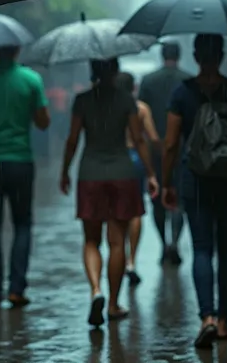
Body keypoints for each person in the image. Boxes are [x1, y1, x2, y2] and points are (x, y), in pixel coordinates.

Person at [162, 34, 227, 349]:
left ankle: (205, 317)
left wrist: (167, 182)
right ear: (221, 55)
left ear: (195, 56)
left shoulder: (183, 93)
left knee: (202, 248)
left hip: (196, 180)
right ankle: (222, 321)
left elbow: (170, 144)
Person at [60, 58, 159, 327]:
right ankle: (113, 304)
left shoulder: (82, 100)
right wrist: (150, 173)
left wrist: (64, 171)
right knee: (117, 242)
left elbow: (72, 140)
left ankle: (96, 291)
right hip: (122, 173)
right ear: (115, 71)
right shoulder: (127, 100)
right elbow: (138, 139)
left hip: (90, 174)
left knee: (91, 240)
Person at [0, 45, 49, 307]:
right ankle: (16, 288)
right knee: (23, 224)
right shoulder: (31, 80)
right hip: (20, 162)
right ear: (18, 49)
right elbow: (43, 122)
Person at [138, 42, 192, 265]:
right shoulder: (188, 81)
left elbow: (139, 117)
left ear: (162, 55)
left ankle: (163, 244)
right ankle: (175, 243)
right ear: (179, 55)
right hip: (182, 148)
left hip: (156, 148)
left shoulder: (149, 81)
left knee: (157, 198)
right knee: (180, 198)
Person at [114, 71, 159, 286]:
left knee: (115, 212)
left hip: (115, 160)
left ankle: (118, 256)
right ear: (134, 87)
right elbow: (152, 137)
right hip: (136, 159)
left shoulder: (109, 107)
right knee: (136, 211)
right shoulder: (141, 109)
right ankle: (131, 260)